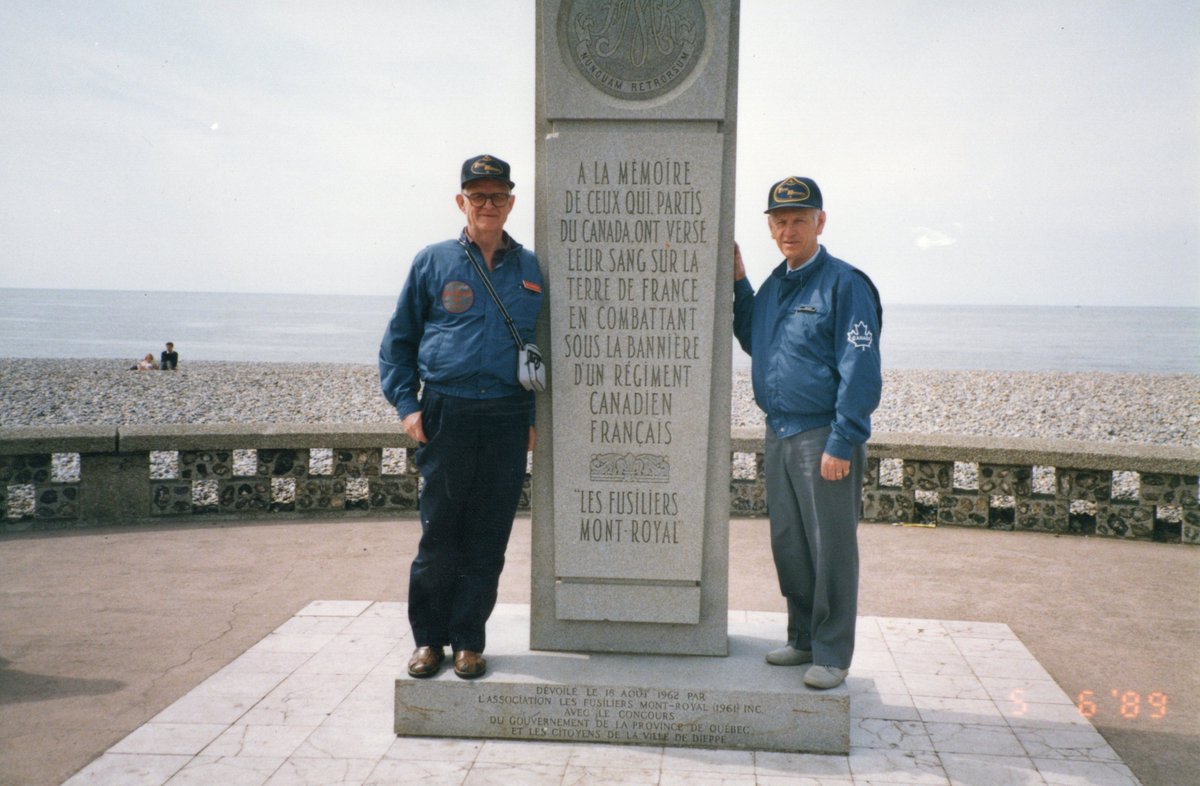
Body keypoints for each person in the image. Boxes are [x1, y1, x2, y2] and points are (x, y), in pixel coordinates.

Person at [379, 154, 544, 680]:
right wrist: (407, 406)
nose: (489, 205)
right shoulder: (433, 261)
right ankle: (429, 640)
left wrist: (534, 416)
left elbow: (546, 347)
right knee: (440, 532)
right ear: (461, 203)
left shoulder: (531, 267)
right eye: (478, 197)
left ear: (511, 202)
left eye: (498, 196)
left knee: (488, 534)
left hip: (506, 412)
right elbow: (397, 341)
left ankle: (470, 639)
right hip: (447, 406)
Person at [732, 176, 882, 690]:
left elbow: (859, 368)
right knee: (790, 543)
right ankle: (802, 639)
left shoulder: (846, 284)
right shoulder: (775, 286)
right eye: (780, 221)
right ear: (770, 228)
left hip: (823, 434)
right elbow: (756, 337)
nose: (789, 229)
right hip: (779, 431)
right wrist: (738, 283)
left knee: (831, 546)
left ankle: (833, 653)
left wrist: (843, 440)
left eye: (799, 219)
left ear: (821, 221)